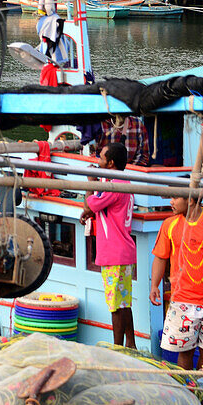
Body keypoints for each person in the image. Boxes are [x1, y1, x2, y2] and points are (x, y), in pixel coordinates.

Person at [149, 195, 203, 369]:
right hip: (182, 300)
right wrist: (154, 285)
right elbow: (160, 257)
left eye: (175, 198)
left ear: (190, 200)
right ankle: (188, 391)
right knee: (185, 352)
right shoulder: (169, 224)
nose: (171, 202)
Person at [79, 142, 136, 348]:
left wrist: (90, 182)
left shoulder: (114, 185)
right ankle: (130, 344)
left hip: (114, 253)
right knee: (123, 303)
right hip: (122, 251)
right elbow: (97, 206)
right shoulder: (121, 181)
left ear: (110, 163)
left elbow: (91, 203)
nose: (98, 161)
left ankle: (118, 348)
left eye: (101, 158)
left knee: (115, 306)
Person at [83, 115, 151, 167]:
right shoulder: (100, 124)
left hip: (131, 172)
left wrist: (128, 171)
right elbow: (92, 153)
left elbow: (143, 156)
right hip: (104, 170)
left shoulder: (137, 124)